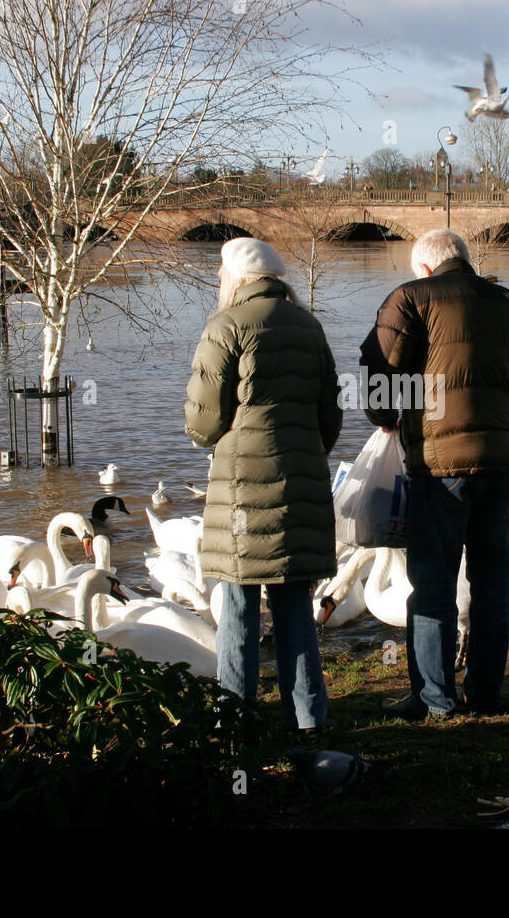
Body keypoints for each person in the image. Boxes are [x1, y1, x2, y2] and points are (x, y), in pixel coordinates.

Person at [359, 229, 509, 718]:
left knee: (433, 584)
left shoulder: (409, 298)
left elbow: (378, 376)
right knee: (492, 586)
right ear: (464, 261)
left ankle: (435, 699)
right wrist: (504, 378)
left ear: (425, 268)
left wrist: (391, 416)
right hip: (500, 463)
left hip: (438, 466)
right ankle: (486, 695)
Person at [185, 237, 341, 733]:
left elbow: (204, 422)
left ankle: (235, 718)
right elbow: (330, 416)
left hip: (241, 491)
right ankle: (309, 718)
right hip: (300, 484)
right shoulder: (309, 326)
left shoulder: (226, 326)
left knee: (237, 603)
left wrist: (205, 433)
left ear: (234, 278)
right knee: (295, 601)